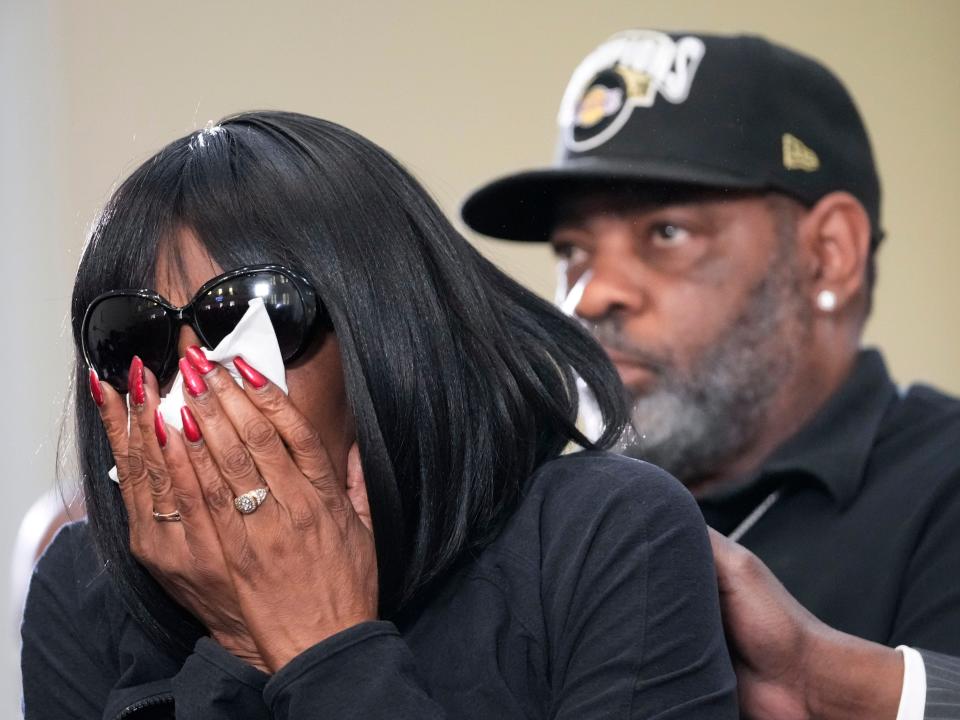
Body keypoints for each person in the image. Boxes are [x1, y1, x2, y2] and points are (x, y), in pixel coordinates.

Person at [20, 111, 738, 719]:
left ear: (384, 325)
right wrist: (238, 647)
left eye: (247, 317)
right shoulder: (84, 587)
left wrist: (325, 648)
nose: (191, 387)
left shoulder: (604, 532)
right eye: (132, 336)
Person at [461, 30, 960, 720]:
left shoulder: (944, 481)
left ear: (829, 255)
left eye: (666, 233)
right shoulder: (523, 507)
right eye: (573, 250)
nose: (590, 294)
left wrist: (832, 684)